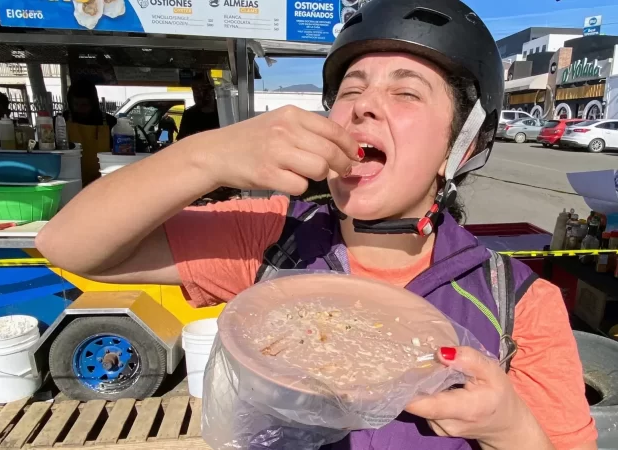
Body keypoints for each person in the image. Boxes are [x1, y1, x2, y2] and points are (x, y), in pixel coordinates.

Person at [36, 0, 597, 449]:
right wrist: (204, 157)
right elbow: (66, 245)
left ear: (465, 142)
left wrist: (510, 428)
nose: (364, 106)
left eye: (405, 92)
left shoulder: (516, 301)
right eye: (350, 91)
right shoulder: (273, 240)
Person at [63, 79, 117, 186]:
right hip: (70, 180)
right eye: (76, 104)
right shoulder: (62, 120)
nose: (80, 109)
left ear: (93, 103)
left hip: (103, 181)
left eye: (84, 105)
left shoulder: (110, 122)